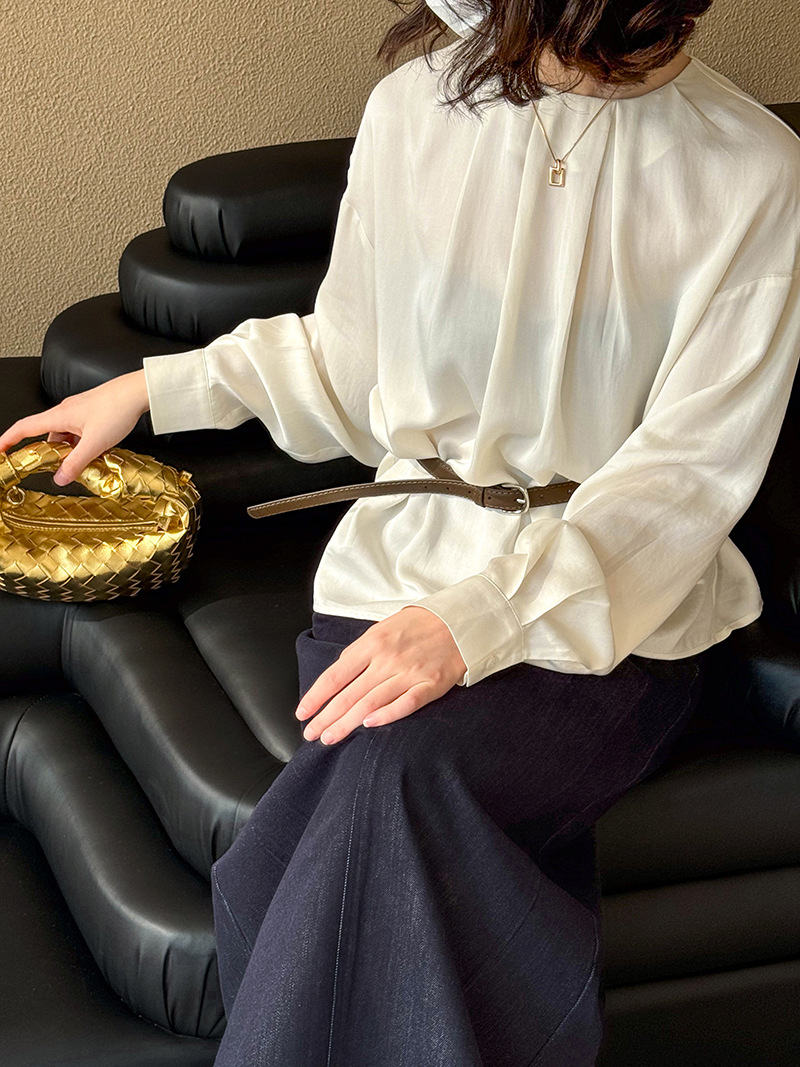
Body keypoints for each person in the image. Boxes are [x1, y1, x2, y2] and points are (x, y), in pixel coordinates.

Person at [2, 1, 800, 1063]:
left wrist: (476, 621)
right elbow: (351, 361)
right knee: (372, 801)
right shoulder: (414, 112)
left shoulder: (753, 169)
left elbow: (686, 478)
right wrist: (154, 388)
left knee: (358, 803)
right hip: (395, 571)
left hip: (617, 616)